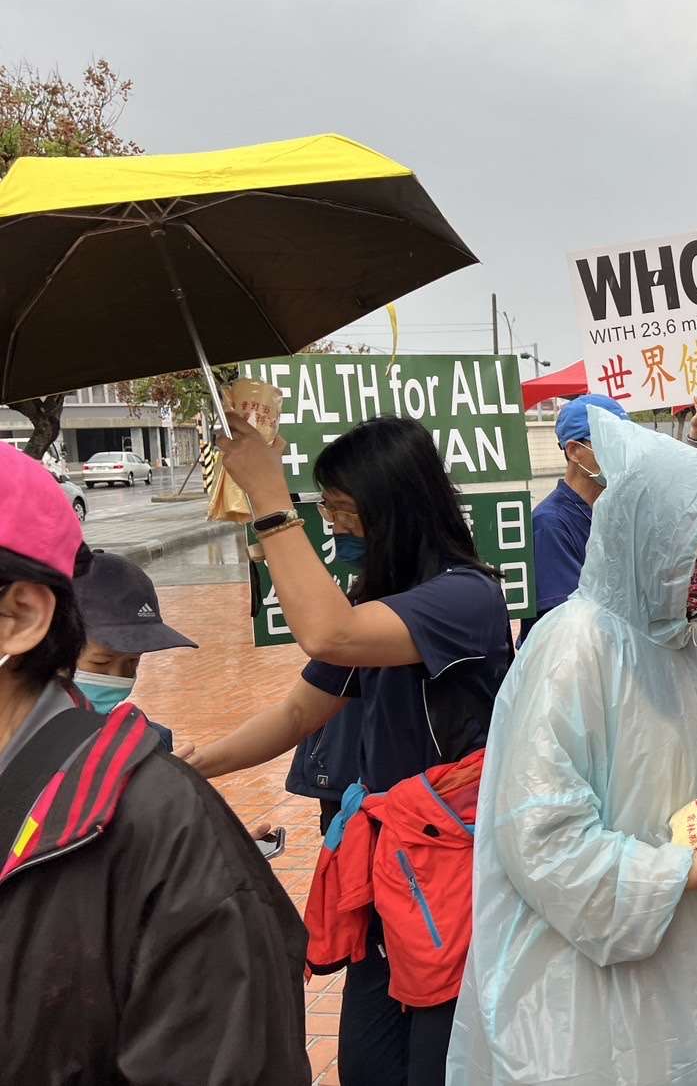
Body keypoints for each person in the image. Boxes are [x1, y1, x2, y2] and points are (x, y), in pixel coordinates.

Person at [183, 414, 513, 1086]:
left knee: (435, 1070)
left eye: (339, 506)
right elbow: (300, 709)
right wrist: (192, 767)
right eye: (324, 504)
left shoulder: (463, 596)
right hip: (388, 878)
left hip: (453, 883)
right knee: (365, 1067)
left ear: (393, 503)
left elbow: (326, 634)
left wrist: (272, 500)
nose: (331, 521)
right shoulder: (381, 601)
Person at [447, 408, 697, 1085]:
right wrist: (676, 872)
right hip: (578, 977)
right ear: (645, 543)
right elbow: (541, 837)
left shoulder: (694, 637)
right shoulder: (571, 647)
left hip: (688, 944)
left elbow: (687, 766)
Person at [0, 444, 308, 1083]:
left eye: (127, 668)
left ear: (20, 617)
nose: (117, 680)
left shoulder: (166, 830)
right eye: (104, 663)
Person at [522, 393, 629, 645]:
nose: (623, 452)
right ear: (574, 451)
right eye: (612, 442)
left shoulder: (614, 513)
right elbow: (569, 624)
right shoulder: (549, 525)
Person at [73, 548, 196, 752]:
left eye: (132, 662)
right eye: (101, 662)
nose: (118, 677)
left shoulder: (148, 741)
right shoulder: (13, 739)